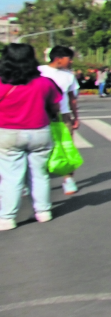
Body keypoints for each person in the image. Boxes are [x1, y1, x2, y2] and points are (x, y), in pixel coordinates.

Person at [1, 44, 63, 229]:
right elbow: (56, 106)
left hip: (7, 133)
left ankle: (7, 217)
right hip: (39, 131)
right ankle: (43, 211)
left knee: (11, 176)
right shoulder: (44, 82)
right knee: (39, 174)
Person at [38, 46, 81, 196]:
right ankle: (33, 180)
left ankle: (68, 179)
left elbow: (72, 98)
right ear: (58, 58)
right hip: (41, 115)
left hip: (63, 115)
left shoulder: (69, 75)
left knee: (67, 148)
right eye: (69, 58)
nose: (71, 61)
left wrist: (76, 116)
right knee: (40, 150)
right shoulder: (39, 71)